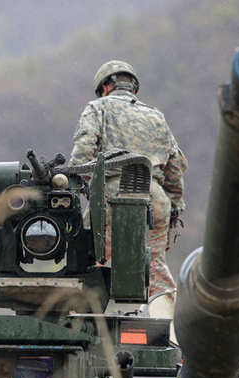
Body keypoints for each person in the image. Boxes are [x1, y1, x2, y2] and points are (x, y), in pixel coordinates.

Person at [69, 60, 187, 306]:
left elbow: (82, 154)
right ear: (133, 86)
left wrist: (81, 183)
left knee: (84, 260)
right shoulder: (156, 116)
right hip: (154, 199)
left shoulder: (97, 108)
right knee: (153, 263)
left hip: (113, 196)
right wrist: (174, 206)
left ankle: (80, 321)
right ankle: (166, 323)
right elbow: (174, 170)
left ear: (104, 87)